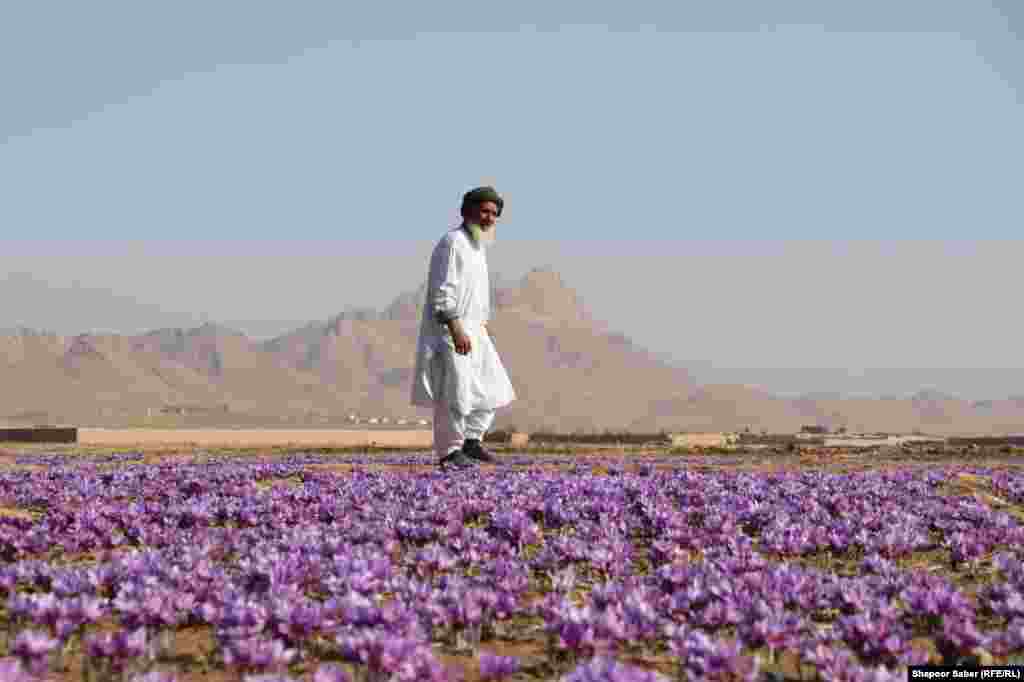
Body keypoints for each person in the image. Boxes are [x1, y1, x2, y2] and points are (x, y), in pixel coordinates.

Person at [410, 186, 517, 468]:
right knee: (455, 392)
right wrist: (456, 327)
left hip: (476, 330)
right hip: (452, 327)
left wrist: (480, 327)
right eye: (484, 211)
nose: (489, 218)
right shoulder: (453, 242)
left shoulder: (478, 246)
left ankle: (472, 441)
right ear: (467, 211)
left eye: (494, 214)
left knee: (493, 387)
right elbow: (442, 290)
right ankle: (449, 451)